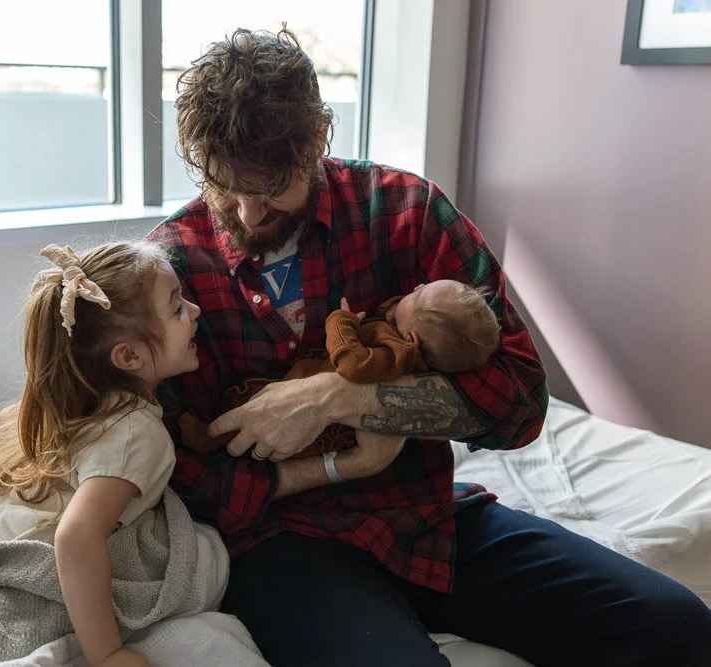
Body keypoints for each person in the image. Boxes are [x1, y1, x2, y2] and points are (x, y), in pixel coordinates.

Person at [146, 27, 711, 666]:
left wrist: (340, 397)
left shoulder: (405, 212)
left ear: (316, 145)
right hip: (283, 542)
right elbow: (179, 475)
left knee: (676, 625)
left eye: (272, 189)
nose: (248, 214)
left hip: (426, 517)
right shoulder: (173, 268)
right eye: (225, 187)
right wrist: (328, 469)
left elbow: (522, 400)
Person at [0, 242, 403, 667]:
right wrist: (106, 654)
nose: (195, 311)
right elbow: (76, 538)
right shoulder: (138, 435)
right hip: (36, 568)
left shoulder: (83, 399)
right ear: (129, 356)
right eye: (177, 308)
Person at [178, 279, 499, 460]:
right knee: (253, 400)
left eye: (417, 294)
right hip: (303, 381)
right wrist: (402, 309)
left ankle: (207, 438)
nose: (416, 285)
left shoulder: (398, 354)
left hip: (315, 418)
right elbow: (399, 313)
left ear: (412, 339)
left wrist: (340, 321)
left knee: (250, 417)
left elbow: (352, 365)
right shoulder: (407, 341)